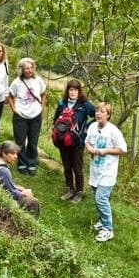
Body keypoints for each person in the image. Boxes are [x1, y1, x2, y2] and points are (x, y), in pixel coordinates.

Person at [85, 102, 128, 242]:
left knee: (101, 199)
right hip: (95, 170)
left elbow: (123, 149)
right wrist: (90, 148)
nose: (98, 113)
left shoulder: (113, 131)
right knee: (97, 198)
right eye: (97, 111)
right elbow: (87, 141)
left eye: (102, 111)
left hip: (108, 172)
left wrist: (106, 151)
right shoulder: (92, 127)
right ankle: (102, 221)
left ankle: (108, 230)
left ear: (108, 115)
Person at [53, 80, 96, 203]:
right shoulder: (62, 103)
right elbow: (56, 118)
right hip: (63, 141)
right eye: (71, 90)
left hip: (78, 142)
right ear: (68, 91)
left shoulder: (85, 104)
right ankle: (69, 189)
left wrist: (88, 127)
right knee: (67, 167)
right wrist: (57, 130)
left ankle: (79, 192)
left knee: (77, 167)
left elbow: (96, 115)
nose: (73, 92)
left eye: (75, 90)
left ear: (79, 91)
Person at [7, 58, 46, 176]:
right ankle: (22, 162)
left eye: (30, 68)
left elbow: (44, 95)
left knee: (33, 141)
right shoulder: (16, 82)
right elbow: (10, 96)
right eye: (26, 69)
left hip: (35, 116)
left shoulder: (38, 81)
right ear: (22, 70)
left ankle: (31, 162)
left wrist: (42, 108)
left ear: (33, 68)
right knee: (20, 141)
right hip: (21, 116)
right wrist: (14, 110)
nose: (29, 70)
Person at [0, 141, 40, 217]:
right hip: (0, 197)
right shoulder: (3, 170)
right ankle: (30, 223)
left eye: (16, 154)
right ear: (4, 153)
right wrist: (24, 193)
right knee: (33, 202)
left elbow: (2, 183)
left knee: (22, 190)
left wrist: (15, 186)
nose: (16, 157)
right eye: (12, 154)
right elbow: (10, 192)